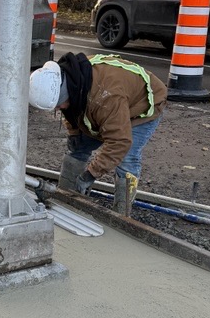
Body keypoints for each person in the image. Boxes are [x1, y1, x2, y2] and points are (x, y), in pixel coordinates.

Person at [28, 51, 167, 213]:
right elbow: (71, 112)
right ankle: (66, 196)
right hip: (108, 104)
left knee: (127, 158)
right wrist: (74, 136)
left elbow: (119, 141)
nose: (58, 109)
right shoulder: (73, 81)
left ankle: (122, 215)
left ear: (67, 95)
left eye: (59, 105)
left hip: (142, 104)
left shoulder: (105, 98)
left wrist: (90, 174)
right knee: (78, 146)